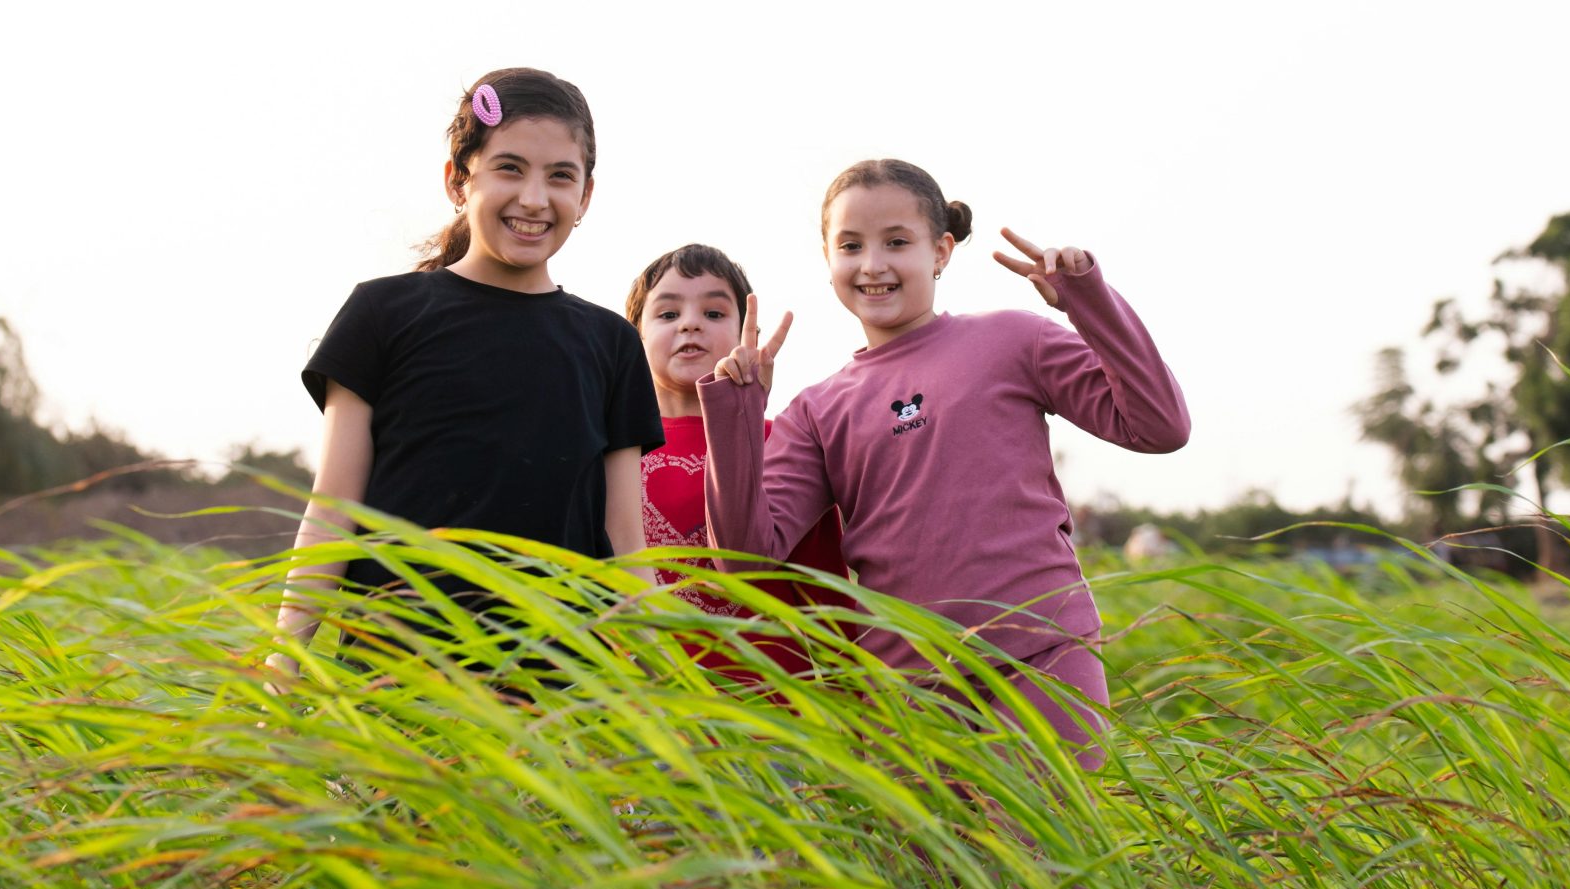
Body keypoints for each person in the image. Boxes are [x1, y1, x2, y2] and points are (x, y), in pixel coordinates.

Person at [699, 159, 1190, 767]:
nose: (873, 264)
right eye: (850, 246)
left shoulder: (1015, 340)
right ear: (827, 261)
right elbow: (747, 556)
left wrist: (1089, 302)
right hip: (909, 689)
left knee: (1042, 856)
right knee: (932, 866)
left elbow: (1159, 427)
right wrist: (737, 413)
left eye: (897, 242)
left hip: (1043, 655)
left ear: (941, 251)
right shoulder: (817, 410)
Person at [272, 68, 661, 679]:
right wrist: (285, 662)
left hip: (562, 693)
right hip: (396, 679)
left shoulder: (610, 342)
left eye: (561, 176)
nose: (534, 198)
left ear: (585, 197)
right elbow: (333, 510)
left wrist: (661, 678)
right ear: (458, 179)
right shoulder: (382, 313)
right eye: (509, 168)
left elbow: (624, 539)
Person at [625, 244, 848, 619]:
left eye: (713, 313)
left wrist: (845, 674)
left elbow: (825, 589)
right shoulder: (615, 449)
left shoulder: (786, 441)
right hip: (644, 672)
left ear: (750, 335)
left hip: (773, 675)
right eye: (668, 313)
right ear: (634, 336)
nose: (690, 324)